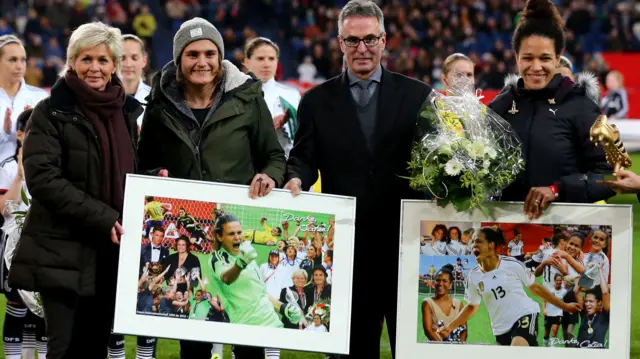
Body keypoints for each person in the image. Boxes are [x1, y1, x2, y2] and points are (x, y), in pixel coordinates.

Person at [284, 1, 433, 357]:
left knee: (412, 349)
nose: (361, 48)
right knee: (353, 349)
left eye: (369, 39)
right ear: (340, 43)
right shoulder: (316, 101)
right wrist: (295, 180)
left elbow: (435, 164)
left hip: (406, 247)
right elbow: (303, 159)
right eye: (353, 40)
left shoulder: (418, 96)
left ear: (384, 40)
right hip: (349, 250)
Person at [136, 17, 286, 359]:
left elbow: (274, 156)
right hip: (191, 233)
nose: (201, 62)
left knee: (247, 340)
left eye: (209, 53)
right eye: (192, 54)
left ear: (220, 58)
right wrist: (153, 177)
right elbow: (143, 165)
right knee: (195, 335)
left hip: (236, 229)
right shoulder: (159, 107)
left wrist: (270, 176)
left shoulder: (248, 98)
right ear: (179, 60)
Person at [7, 22, 142, 359]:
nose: (94, 68)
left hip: (110, 252)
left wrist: (153, 177)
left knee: (96, 346)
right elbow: (43, 181)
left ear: (114, 64)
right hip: (62, 250)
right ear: (71, 63)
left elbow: (128, 172)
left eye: (102, 59)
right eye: (85, 59)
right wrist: (103, 217)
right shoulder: (49, 112)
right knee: (65, 349)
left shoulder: (126, 113)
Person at [488, 0, 615, 220]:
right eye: (527, 58)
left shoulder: (584, 107)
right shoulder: (499, 107)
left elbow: (609, 177)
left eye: (545, 58)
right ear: (516, 58)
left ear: (557, 59)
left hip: (564, 237)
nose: (536, 67)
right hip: (503, 234)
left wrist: (558, 190)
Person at [438, 227, 581, 346]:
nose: (473, 246)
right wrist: (450, 327)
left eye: (478, 242)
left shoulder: (512, 264)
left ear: (491, 245)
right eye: (472, 243)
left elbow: (535, 288)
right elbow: (472, 306)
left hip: (524, 315)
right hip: (500, 329)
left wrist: (565, 306)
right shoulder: (473, 276)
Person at [210, 214, 302, 358]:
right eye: (231, 234)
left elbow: (261, 293)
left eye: (239, 232)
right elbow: (226, 278)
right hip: (245, 327)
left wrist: (283, 308)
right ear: (219, 237)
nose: (237, 237)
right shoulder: (218, 258)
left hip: (269, 323)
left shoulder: (249, 257)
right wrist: (241, 263)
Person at [0, 108, 47, 359]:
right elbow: (5, 209)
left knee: (43, 311)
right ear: (20, 134)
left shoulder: (53, 162)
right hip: (15, 247)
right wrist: (19, 176)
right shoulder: (7, 168)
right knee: (17, 307)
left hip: (47, 243)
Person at [243, 37, 302, 159]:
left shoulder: (292, 95)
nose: (266, 64)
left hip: (285, 168)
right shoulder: (235, 94)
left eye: (271, 59)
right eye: (260, 59)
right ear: (247, 62)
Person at [0, 35, 48, 165]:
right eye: (12, 60)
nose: (20, 66)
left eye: (23, 60)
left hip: (32, 181)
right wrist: (5, 134)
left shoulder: (41, 98)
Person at [421, 264, 467, 343]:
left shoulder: (458, 304)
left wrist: (459, 347)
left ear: (450, 284)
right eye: (438, 280)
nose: (440, 284)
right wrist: (444, 347)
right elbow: (428, 330)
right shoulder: (427, 303)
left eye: (444, 281)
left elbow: (464, 329)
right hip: (436, 349)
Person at [121, 34, 151, 131]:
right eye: (122, 58)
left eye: (134, 58)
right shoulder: (102, 99)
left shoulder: (156, 100)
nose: (128, 64)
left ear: (144, 61)